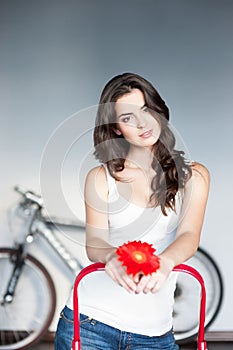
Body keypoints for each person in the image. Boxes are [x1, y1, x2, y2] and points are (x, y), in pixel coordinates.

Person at [54, 72, 210, 350]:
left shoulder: (194, 176)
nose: (142, 123)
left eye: (146, 110)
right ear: (116, 129)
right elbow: (95, 244)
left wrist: (165, 262)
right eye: (127, 118)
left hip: (155, 333)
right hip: (91, 324)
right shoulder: (100, 178)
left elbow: (189, 235)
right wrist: (112, 257)